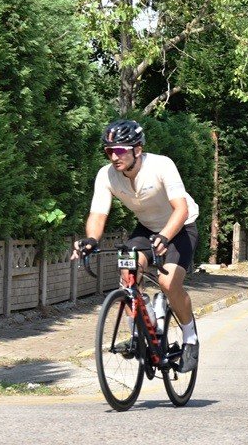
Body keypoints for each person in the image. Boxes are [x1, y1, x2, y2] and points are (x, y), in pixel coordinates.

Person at [73, 119, 201, 372]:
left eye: (120, 150)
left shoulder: (162, 165)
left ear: (137, 150)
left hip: (181, 226)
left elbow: (181, 208)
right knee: (128, 272)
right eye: (109, 151)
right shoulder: (106, 175)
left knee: (168, 283)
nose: (113, 157)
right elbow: (98, 214)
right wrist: (90, 240)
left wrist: (165, 236)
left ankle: (190, 338)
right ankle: (139, 330)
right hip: (147, 228)